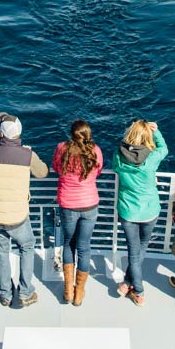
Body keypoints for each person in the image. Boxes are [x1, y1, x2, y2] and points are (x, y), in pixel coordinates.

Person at [0, 112, 49, 308]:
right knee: (27, 247)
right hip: (18, 216)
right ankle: (26, 292)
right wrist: (28, 153)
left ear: (2, 134)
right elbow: (43, 172)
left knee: (1, 253)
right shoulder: (27, 155)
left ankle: (5, 294)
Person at [112, 120, 169, 306]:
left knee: (134, 253)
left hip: (128, 211)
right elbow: (164, 148)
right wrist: (156, 131)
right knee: (141, 248)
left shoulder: (119, 156)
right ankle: (139, 290)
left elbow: (115, 167)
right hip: (150, 210)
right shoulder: (151, 158)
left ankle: (129, 282)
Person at [52, 120, 103, 306]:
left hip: (68, 205)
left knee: (68, 244)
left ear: (71, 133)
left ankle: (68, 290)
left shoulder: (61, 148)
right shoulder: (95, 150)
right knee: (84, 247)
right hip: (90, 205)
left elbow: (57, 168)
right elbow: (98, 171)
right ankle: (79, 292)